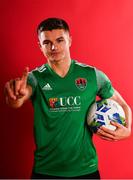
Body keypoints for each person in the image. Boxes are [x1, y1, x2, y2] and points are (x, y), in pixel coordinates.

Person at [4, 18, 132, 179]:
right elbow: (17, 100)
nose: (53, 47)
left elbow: (122, 104)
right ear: (40, 46)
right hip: (46, 170)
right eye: (47, 42)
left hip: (86, 169)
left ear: (69, 40)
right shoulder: (34, 78)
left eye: (59, 40)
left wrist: (127, 130)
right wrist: (15, 97)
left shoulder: (92, 76)